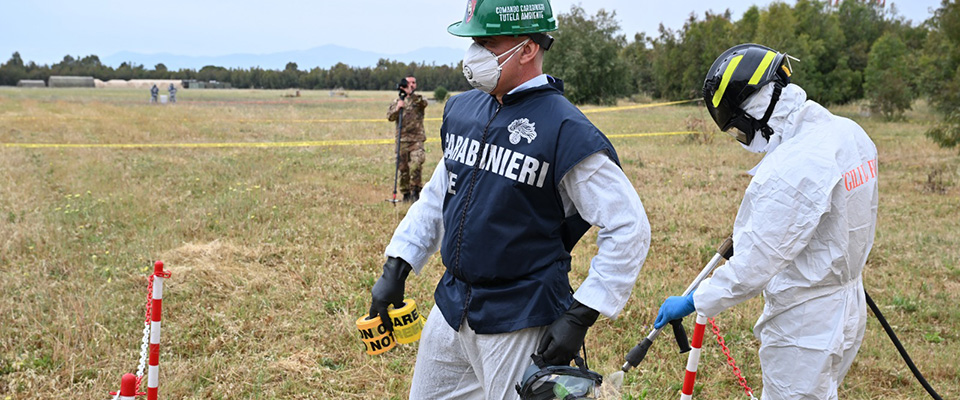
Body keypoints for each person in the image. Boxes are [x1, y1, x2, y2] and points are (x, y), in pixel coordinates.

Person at [368, 1, 651, 398]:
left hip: (521, 314)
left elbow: (629, 226)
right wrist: (396, 267)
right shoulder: (463, 109)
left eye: (488, 42)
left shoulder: (567, 130)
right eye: (473, 43)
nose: (474, 55)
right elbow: (437, 197)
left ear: (528, 49)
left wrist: (582, 313)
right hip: (452, 304)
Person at [654, 43, 879, 399]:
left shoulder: (790, 169)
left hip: (804, 323)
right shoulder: (848, 133)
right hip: (847, 303)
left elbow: (751, 269)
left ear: (751, 114)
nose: (743, 141)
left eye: (737, 131)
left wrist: (696, 299)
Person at [386, 75, 428, 202]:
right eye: (409, 83)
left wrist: (412, 95)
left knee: (416, 165)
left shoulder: (418, 100)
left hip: (416, 140)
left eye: (414, 83)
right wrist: (398, 108)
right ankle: (406, 194)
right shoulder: (397, 101)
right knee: (403, 169)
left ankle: (416, 191)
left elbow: (423, 103)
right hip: (402, 140)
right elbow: (390, 117)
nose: (411, 85)